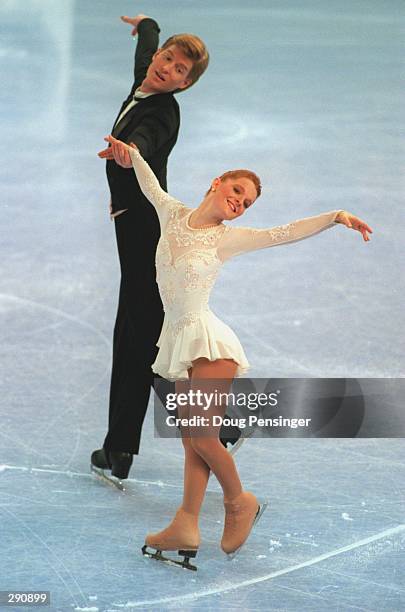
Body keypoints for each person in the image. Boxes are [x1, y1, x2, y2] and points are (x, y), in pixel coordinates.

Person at [104, 134, 372, 568]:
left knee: (203, 437)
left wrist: (336, 216)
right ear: (217, 183)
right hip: (178, 340)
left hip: (209, 343)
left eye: (246, 203)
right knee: (192, 442)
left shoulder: (227, 239)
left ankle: (239, 500)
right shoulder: (172, 215)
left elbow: (282, 233)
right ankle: (186, 523)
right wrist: (129, 154)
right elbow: (150, 184)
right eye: (236, 192)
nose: (239, 204)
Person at [91, 14, 211, 484]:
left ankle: (129, 447)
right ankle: (126, 446)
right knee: (145, 337)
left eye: (181, 71)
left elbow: (143, 143)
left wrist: (128, 151)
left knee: (141, 339)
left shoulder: (163, 112)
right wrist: (148, 24)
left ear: (184, 86)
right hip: (137, 229)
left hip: (147, 236)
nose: (168, 69)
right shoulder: (150, 75)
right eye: (168, 59)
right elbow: (148, 46)